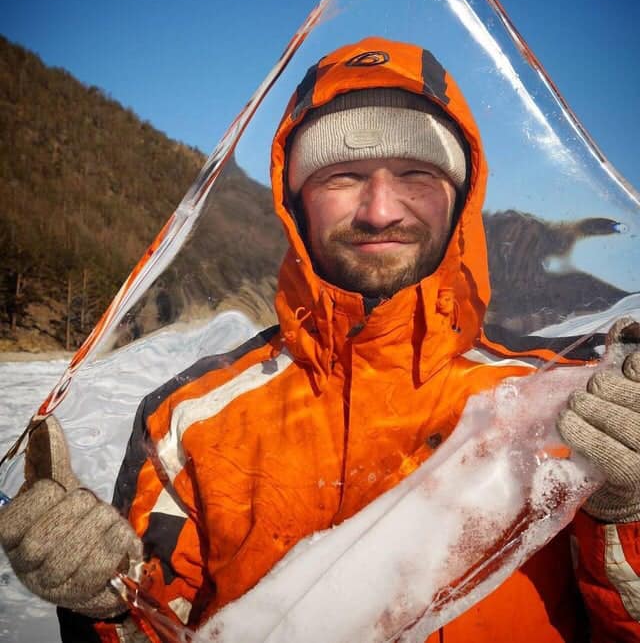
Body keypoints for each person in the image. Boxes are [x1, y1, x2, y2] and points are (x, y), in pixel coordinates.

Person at [2, 37, 640, 643]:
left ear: (461, 195)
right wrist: (106, 603)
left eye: (416, 172)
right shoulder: (189, 419)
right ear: (295, 198)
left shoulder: (563, 401)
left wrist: (628, 513)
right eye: (342, 175)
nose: (380, 210)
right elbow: (152, 626)